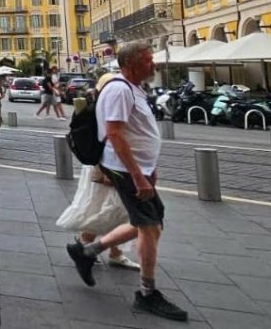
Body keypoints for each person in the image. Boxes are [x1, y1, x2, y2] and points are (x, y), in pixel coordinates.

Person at [66, 41, 188, 322]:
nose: (152, 64)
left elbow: (136, 131)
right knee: (149, 225)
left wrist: (149, 167)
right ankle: (146, 293)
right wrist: (137, 174)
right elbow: (116, 134)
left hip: (134, 168)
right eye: (147, 60)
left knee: (150, 222)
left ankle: (87, 251)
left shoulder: (133, 89)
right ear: (131, 64)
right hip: (124, 168)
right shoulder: (120, 90)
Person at [56, 73, 140, 271]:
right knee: (115, 209)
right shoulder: (104, 109)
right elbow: (110, 137)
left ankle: (107, 250)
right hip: (108, 166)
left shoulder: (94, 107)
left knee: (111, 208)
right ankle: (87, 246)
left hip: (104, 165)